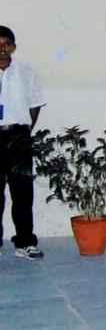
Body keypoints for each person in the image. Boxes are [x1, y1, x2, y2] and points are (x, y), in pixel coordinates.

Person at [0, 25, 45, 260]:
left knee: (23, 193)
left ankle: (25, 242)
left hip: (19, 138)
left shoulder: (26, 73)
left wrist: (24, 131)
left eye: (7, 44)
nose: (2, 49)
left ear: (14, 47)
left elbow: (35, 105)